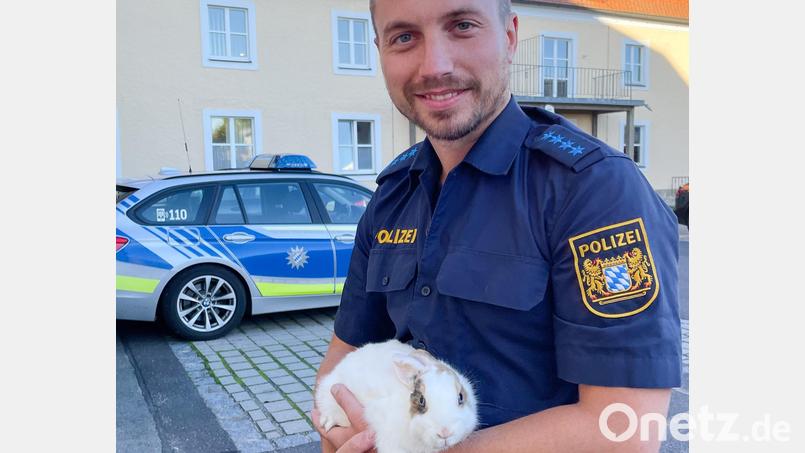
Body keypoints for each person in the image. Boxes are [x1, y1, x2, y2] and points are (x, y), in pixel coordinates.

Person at [313, 0, 682, 451]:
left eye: (462, 26)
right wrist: (337, 433)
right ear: (380, 51)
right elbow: (342, 363)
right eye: (404, 37)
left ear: (509, 36)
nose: (435, 65)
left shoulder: (593, 189)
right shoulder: (393, 195)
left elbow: (624, 428)